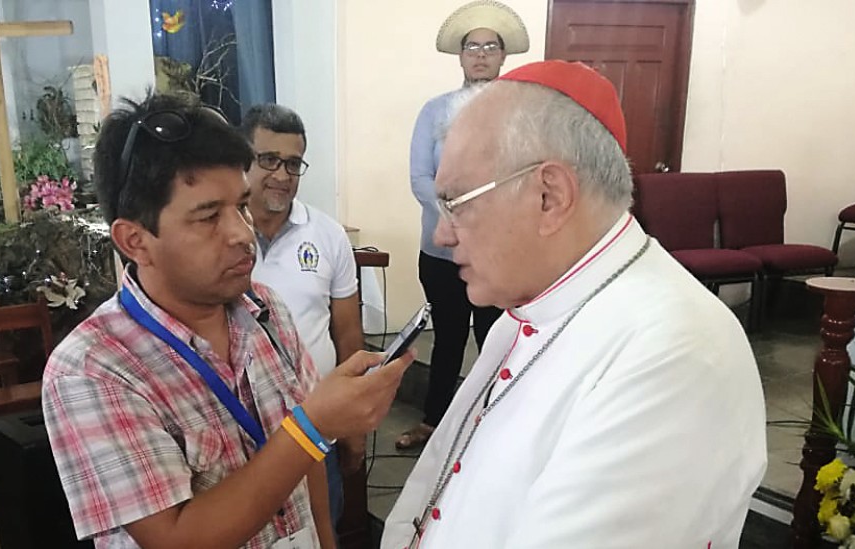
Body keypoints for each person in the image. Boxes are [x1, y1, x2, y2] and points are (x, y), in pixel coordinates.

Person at [382, 60, 767, 548]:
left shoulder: (675, 353)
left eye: (456, 203)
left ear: (550, 196)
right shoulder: (527, 306)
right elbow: (434, 480)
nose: (441, 234)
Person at [41, 92, 414, 549]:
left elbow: (308, 466)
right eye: (208, 217)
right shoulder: (92, 368)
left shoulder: (265, 310)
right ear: (135, 240)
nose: (241, 233)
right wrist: (312, 426)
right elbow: (175, 539)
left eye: (239, 206)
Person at [398, 0, 530, 450]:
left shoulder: (522, 112)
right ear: (460, 55)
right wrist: (456, 219)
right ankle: (434, 425)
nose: (480, 54)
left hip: (498, 253)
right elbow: (420, 177)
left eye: (489, 46)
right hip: (441, 249)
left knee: (497, 338)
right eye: (471, 46)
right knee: (448, 338)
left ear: (503, 55)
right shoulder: (435, 111)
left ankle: (494, 426)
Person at [239, 104, 364, 529]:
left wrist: (353, 426)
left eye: (292, 164)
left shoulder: (326, 234)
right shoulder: (222, 237)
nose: (281, 175)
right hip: (245, 434)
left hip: (317, 425)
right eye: (268, 160)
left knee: (321, 527)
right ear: (244, 160)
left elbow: (349, 337)